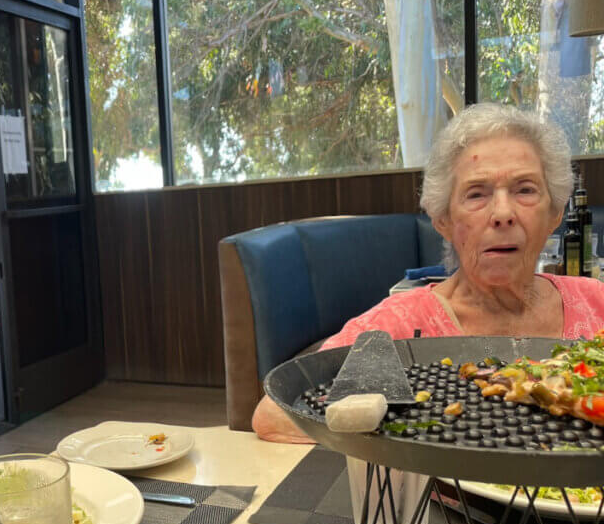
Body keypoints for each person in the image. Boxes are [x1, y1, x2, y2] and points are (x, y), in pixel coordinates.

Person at [253, 102, 604, 442]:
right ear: (443, 220)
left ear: (555, 213)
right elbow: (274, 415)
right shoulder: (398, 327)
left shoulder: (596, 302)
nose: (502, 213)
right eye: (476, 194)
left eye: (525, 189)